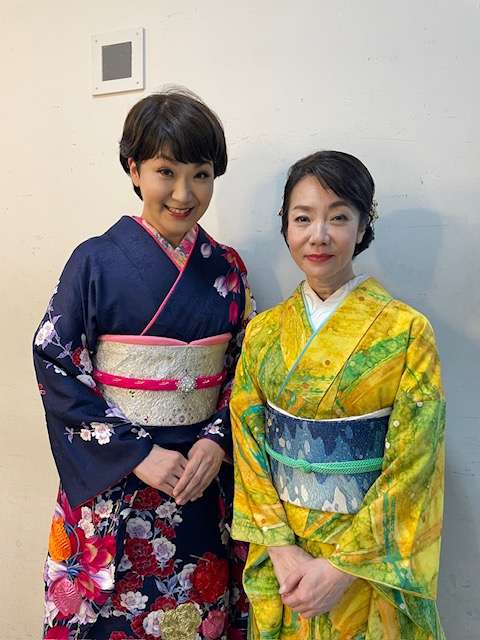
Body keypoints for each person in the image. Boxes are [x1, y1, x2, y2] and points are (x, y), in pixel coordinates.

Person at [34, 89, 253, 640]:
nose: (184, 194)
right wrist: (137, 453)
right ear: (134, 170)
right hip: (116, 484)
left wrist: (216, 440)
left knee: (196, 619)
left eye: (201, 175)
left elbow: (244, 370)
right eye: (166, 172)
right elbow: (56, 361)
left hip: (197, 480)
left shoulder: (226, 269)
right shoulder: (94, 261)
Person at [231, 150, 445, 639]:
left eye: (339, 218)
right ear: (285, 226)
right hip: (286, 556)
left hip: (364, 565)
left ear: (363, 225)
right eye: (303, 218)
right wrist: (280, 548)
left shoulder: (406, 330)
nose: (319, 235)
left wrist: (344, 567)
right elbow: (247, 442)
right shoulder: (263, 332)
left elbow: (416, 464)